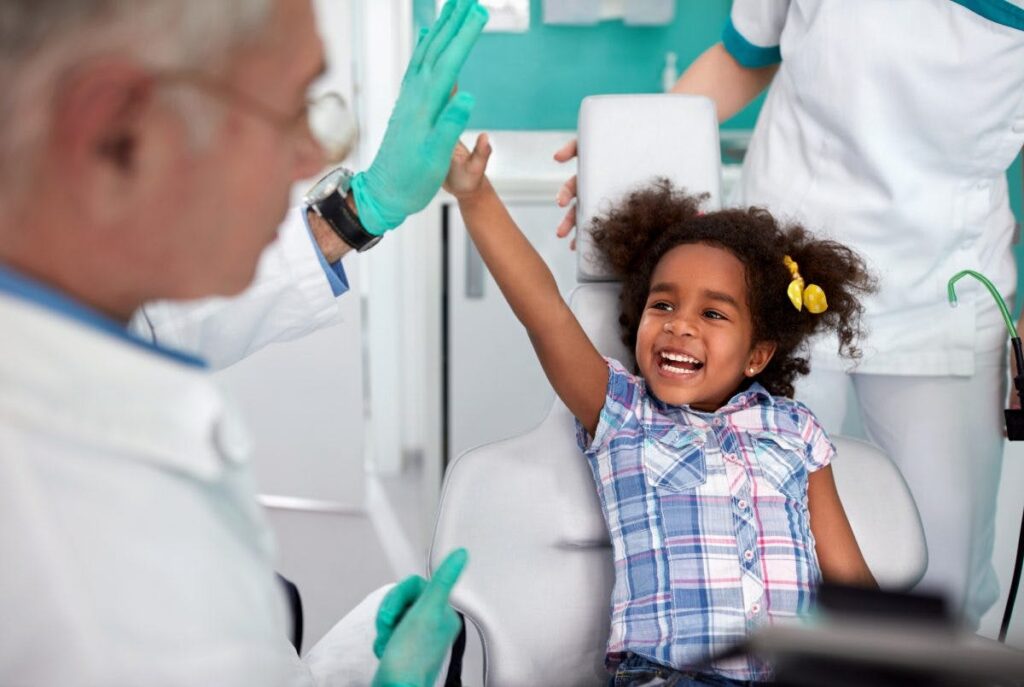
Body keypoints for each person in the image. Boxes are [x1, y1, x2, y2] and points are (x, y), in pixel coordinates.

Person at [0, 0, 488, 685]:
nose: (313, 156)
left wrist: (364, 207)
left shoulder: (57, 308)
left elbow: (162, 318)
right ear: (115, 133)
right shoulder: (89, 583)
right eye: (290, 110)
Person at [553, 0, 1024, 630]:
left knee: (945, 583)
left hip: (942, 292)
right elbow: (743, 57)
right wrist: (630, 156)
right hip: (777, 286)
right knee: (739, 548)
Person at [444, 134, 876, 684]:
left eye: (714, 314)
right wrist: (476, 196)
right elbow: (544, 313)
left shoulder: (794, 430)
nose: (679, 323)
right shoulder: (622, 411)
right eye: (663, 304)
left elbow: (852, 584)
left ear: (758, 355)